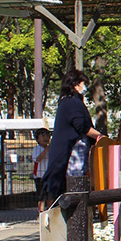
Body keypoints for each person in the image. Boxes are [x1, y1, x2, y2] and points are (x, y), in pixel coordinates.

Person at [42, 69, 106, 206]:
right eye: (83, 83)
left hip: (66, 152)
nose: (85, 87)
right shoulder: (72, 103)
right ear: (76, 85)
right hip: (71, 153)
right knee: (73, 182)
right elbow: (82, 126)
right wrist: (100, 136)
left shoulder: (67, 102)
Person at [32, 128, 50, 212]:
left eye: (47, 135)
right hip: (39, 175)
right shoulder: (37, 149)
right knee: (41, 196)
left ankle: (50, 211)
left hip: (49, 174)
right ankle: (41, 212)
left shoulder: (51, 149)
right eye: (42, 135)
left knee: (50, 194)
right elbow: (37, 159)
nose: (45, 138)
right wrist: (46, 150)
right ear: (38, 138)